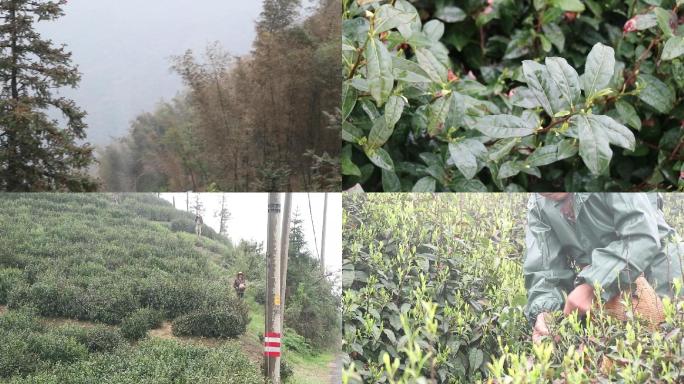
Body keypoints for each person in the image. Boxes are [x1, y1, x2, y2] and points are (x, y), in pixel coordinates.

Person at [524, 193, 683, 343]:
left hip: (662, 272)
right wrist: (546, 310)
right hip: (608, 292)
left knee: (669, 341)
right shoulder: (538, 205)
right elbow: (545, 270)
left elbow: (641, 237)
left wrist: (593, 285)